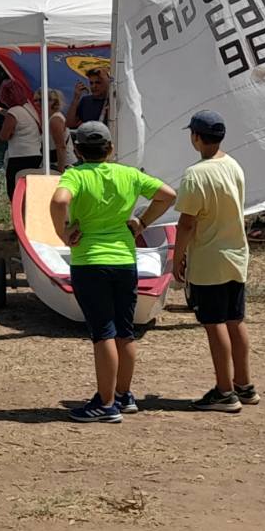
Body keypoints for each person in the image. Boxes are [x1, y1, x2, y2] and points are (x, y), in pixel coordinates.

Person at [50, 121, 177, 423]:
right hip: (124, 261)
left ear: (77, 150)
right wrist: (142, 222)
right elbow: (168, 194)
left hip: (90, 262)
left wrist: (63, 231)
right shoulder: (128, 174)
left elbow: (59, 200)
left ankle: (105, 404)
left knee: (102, 333)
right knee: (125, 331)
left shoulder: (76, 175)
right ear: (110, 148)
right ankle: (123, 395)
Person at [171, 110, 257, 413]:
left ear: (196, 137)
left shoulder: (195, 174)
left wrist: (177, 259)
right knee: (235, 320)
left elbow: (187, 223)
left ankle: (224, 391)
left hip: (209, 259)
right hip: (236, 254)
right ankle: (244, 384)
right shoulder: (233, 165)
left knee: (214, 323)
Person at [0, 78, 44, 199]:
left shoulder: (13, 112)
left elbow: (3, 136)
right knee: (30, 193)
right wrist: (0, 110)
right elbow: (20, 118)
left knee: (15, 193)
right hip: (36, 155)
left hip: (19, 158)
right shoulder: (29, 107)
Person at [46, 89, 73, 171]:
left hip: (64, 165)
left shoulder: (55, 119)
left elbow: (61, 146)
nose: (37, 103)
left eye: (40, 100)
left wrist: (60, 170)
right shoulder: (53, 118)